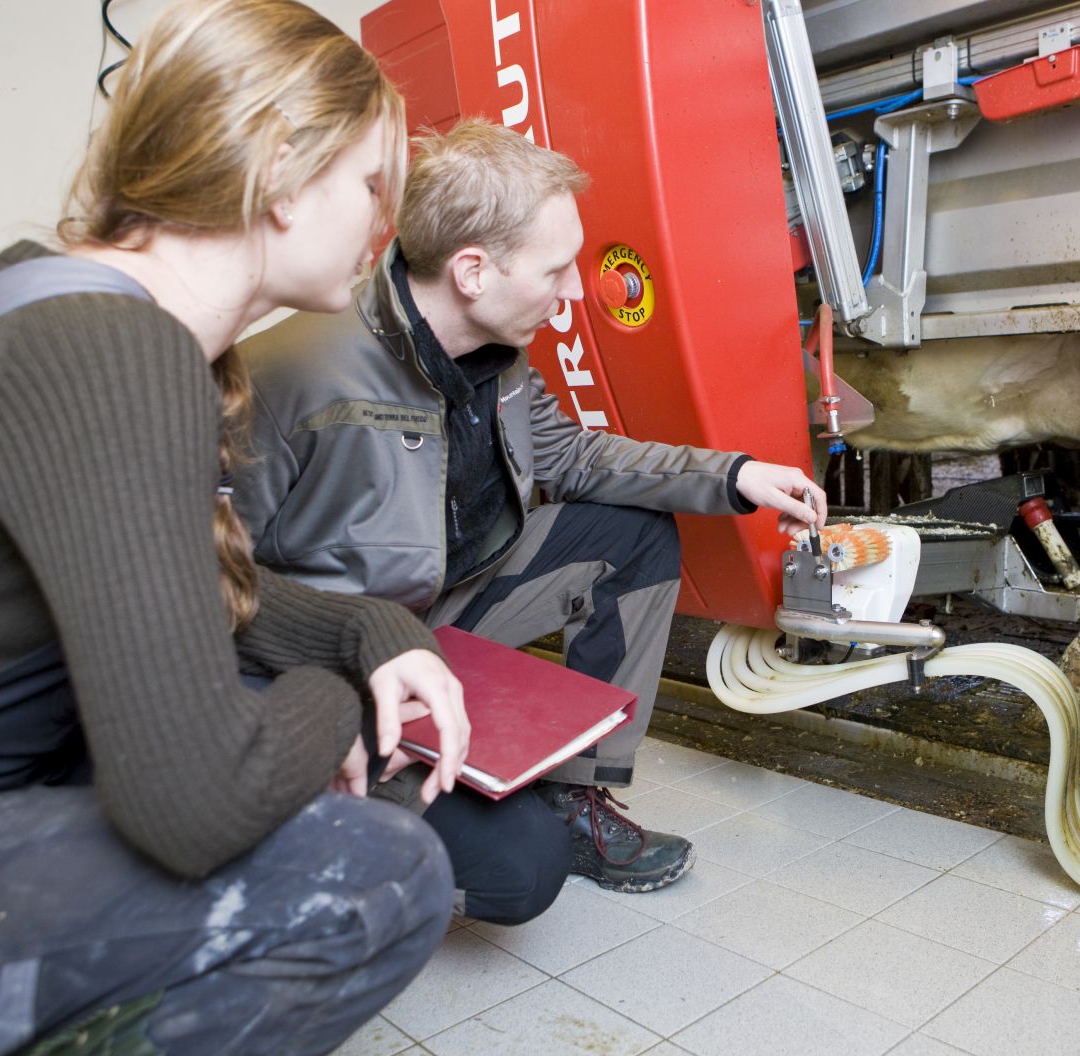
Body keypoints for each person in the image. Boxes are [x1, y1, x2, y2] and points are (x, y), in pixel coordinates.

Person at [0, 3, 470, 1053]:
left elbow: (179, 589)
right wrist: (338, 706)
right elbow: (197, 802)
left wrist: (371, 634)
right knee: (378, 874)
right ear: (281, 172)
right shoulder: (111, 348)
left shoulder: (52, 301)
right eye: (373, 185)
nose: (384, 223)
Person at [233, 120, 828, 913]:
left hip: (448, 607)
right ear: (474, 271)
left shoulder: (498, 357)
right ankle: (321, 833)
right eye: (556, 270)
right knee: (522, 874)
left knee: (630, 533)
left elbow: (575, 458)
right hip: (338, 662)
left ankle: (579, 795)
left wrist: (736, 474)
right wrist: (317, 717)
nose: (576, 291)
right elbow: (213, 586)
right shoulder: (290, 376)